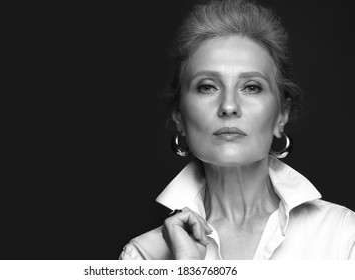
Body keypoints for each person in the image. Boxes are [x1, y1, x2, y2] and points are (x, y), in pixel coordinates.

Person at [119, 0, 355, 260]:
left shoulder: (343, 235)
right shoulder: (143, 256)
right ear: (179, 117)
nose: (229, 106)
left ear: (282, 115)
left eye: (251, 87)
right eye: (207, 86)